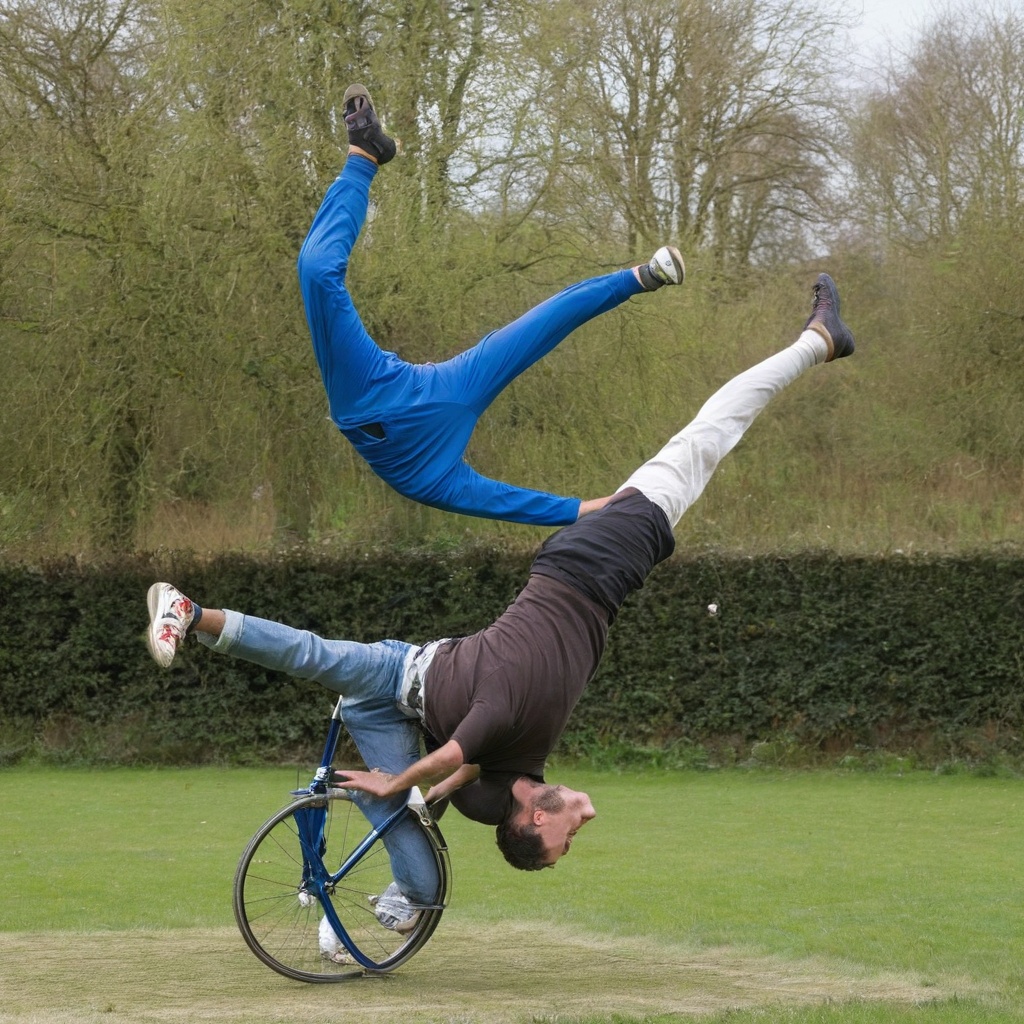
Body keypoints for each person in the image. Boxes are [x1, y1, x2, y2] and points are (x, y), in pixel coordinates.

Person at [147, 269, 854, 909]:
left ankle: (817, 341)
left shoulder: (498, 741)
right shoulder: (513, 781)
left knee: (711, 433)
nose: (580, 829)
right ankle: (389, 903)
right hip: (566, 588)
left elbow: (455, 760)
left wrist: (398, 785)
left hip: (465, 636)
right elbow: (481, 780)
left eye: (562, 840)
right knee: (423, 878)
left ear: (535, 817)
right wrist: (425, 795)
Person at [298, 84, 685, 527]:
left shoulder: (414, 467)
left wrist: (581, 510)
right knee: (535, 332)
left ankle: (363, 155)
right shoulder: (428, 482)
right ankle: (644, 276)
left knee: (316, 272)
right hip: (439, 404)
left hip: (365, 388)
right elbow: (506, 501)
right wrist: (583, 509)